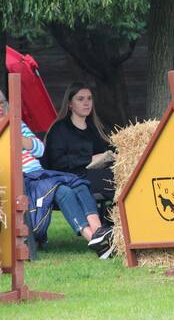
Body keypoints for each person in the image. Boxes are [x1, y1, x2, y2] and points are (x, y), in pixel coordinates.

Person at [0, 90, 113, 259]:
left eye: (2, 103)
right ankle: (95, 238)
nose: (0, 108)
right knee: (66, 188)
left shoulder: (17, 124)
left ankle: (97, 232)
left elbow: (40, 149)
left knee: (77, 185)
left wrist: (17, 135)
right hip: (22, 178)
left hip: (39, 174)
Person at [43, 82, 115, 204]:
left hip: (95, 174)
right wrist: (89, 159)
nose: (86, 103)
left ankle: (112, 214)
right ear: (70, 104)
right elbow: (57, 162)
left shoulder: (96, 128)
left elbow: (106, 150)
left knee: (120, 176)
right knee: (111, 180)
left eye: (89, 98)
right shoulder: (59, 129)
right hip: (68, 179)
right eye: (80, 99)